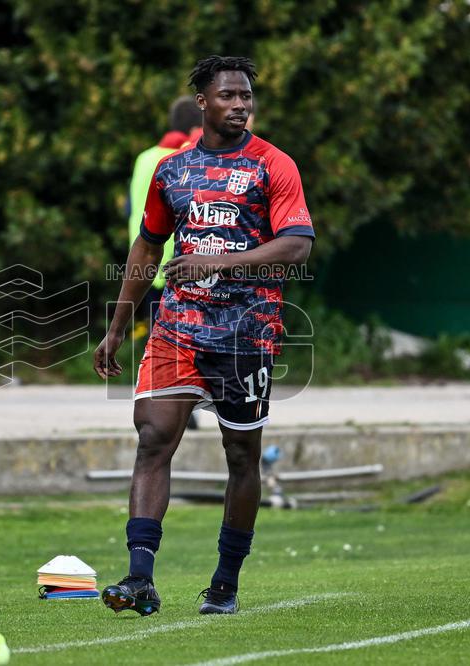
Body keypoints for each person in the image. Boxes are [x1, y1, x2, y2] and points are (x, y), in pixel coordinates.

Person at [94, 55, 314, 616]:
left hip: (246, 333)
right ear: (202, 103)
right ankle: (140, 576)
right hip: (177, 327)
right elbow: (146, 247)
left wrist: (220, 259)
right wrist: (117, 328)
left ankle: (225, 582)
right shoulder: (172, 171)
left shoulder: (274, 165)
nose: (240, 104)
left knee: (242, 454)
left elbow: (297, 245)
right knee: (153, 437)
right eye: (228, 96)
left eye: (246, 96)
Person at [127, 96, 202, 326]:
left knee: (156, 335)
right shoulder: (183, 158)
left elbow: (129, 206)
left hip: (142, 258)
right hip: (172, 258)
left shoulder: (144, 157)